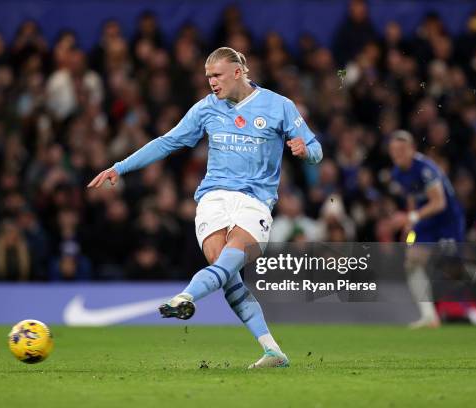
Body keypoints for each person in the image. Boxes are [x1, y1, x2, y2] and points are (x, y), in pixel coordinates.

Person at [88, 47, 322, 368]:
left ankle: (185, 296)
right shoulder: (206, 108)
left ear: (238, 72)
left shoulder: (279, 106)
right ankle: (272, 351)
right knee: (226, 274)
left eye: (217, 75)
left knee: (230, 258)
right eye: (208, 76)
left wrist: (304, 149)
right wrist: (120, 166)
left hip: (255, 201)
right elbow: (167, 141)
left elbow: (316, 148)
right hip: (212, 199)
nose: (211, 82)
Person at [388, 130, 466, 328]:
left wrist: (411, 216)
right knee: (412, 262)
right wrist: (411, 222)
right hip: (426, 221)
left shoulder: (425, 169)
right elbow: (412, 196)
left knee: (455, 268)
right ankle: (429, 316)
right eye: (394, 151)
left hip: (448, 220)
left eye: (401, 151)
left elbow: (439, 203)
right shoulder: (398, 172)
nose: (397, 155)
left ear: (411, 149)